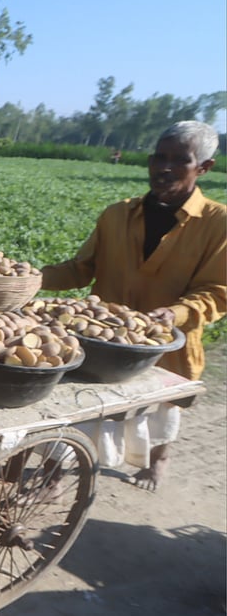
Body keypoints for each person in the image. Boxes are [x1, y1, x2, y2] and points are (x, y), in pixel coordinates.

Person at [40, 120, 226, 490]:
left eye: (179, 160)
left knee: (161, 413)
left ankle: (158, 461)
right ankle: (54, 473)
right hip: (104, 340)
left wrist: (175, 313)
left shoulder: (218, 224)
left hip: (166, 342)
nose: (164, 167)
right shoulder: (117, 214)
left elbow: (218, 291)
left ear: (204, 167)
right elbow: (82, 269)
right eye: (159, 157)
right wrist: (27, 280)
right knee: (85, 407)